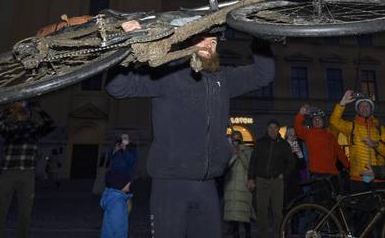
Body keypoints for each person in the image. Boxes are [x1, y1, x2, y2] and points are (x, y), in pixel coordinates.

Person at [106, 24, 275, 238]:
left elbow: (263, 74)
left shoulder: (223, 78)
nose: (209, 45)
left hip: (207, 184)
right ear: (188, 42)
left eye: (213, 41)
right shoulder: (168, 73)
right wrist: (128, 43)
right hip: (170, 184)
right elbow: (118, 87)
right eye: (202, 39)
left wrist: (260, 36)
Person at [0, 101, 54, 238]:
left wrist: (40, 110)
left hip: (27, 173)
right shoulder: (9, 128)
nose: (24, 112)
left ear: (30, 114)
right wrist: (10, 109)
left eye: (26, 111)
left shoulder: (35, 128)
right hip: (8, 172)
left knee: (25, 212)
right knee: (0, 210)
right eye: (21, 111)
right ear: (17, 114)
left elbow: (51, 124)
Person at [329, 90, 385, 191]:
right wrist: (342, 104)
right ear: (357, 110)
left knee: (379, 206)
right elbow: (334, 121)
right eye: (361, 106)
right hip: (358, 177)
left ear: (371, 109)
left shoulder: (380, 129)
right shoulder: (352, 126)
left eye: (367, 106)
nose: (364, 108)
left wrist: (376, 145)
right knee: (360, 206)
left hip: (378, 178)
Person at [247, 120, 295, 238]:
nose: (272, 130)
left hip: (276, 182)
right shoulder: (260, 143)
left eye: (275, 128)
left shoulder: (284, 144)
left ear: (278, 129)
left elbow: (291, 162)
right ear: (267, 129)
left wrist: (284, 174)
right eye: (270, 128)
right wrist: (251, 178)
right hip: (261, 180)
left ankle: (277, 234)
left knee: (277, 212)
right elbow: (253, 161)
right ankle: (262, 235)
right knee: (261, 211)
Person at [293, 105, 349, 194]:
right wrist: (300, 114)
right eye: (315, 119)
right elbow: (298, 129)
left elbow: (339, 152)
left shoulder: (330, 135)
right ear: (312, 122)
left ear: (323, 121)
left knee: (335, 203)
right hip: (316, 174)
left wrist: (348, 166)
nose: (317, 121)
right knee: (319, 203)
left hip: (332, 174)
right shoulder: (308, 133)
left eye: (319, 119)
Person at [223, 130, 253, 238]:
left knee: (245, 215)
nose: (235, 142)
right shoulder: (228, 152)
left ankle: (248, 235)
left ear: (241, 140)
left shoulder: (248, 151)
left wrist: (240, 153)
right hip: (231, 187)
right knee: (233, 217)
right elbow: (224, 168)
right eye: (233, 139)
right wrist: (233, 156)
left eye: (237, 139)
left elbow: (249, 166)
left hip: (243, 188)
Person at [100, 169, 133, 238]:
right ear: (120, 184)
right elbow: (118, 228)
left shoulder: (112, 197)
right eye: (128, 181)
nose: (130, 183)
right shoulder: (118, 204)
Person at [283, 126, 304, 206]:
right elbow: (281, 163)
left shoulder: (298, 145)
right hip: (286, 182)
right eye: (290, 134)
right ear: (286, 135)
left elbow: (302, 166)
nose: (292, 136)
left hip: (296, 181)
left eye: (294, 134)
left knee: (296, 204)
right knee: (287, 204)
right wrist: (289, 153)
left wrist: (300, 155)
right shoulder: (283, 146)